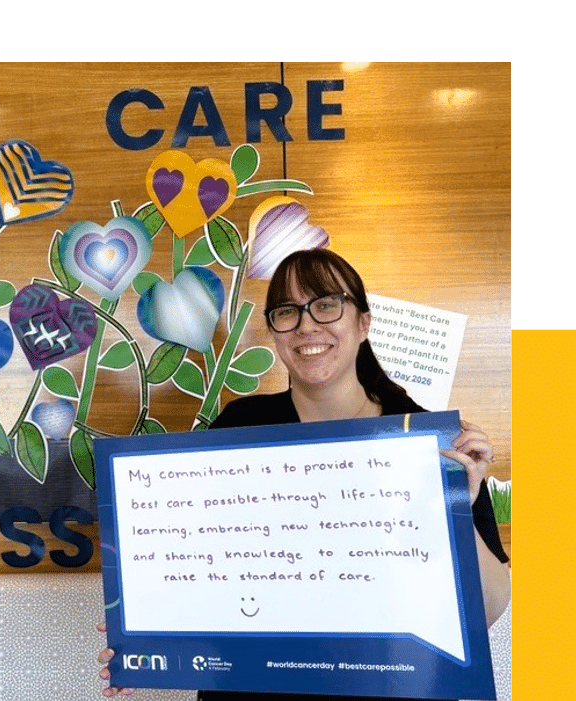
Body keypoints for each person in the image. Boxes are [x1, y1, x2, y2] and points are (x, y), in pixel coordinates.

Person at [98, 249, 511, 700]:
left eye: (327, 304)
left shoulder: (429, 442)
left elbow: (486, 611)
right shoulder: (239, 427)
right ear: (275, 331)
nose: (307, 325)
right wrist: (145, 642)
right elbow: (196, 568)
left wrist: (460, 503)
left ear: (363, 323)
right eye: (287, 311)